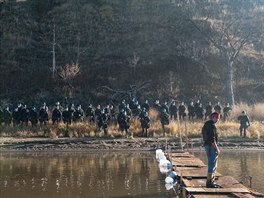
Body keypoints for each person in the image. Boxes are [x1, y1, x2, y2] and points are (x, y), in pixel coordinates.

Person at [202, 112, 221, 188]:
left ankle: (211, 181)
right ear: (213, 117)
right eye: (216, 118)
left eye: (218, 118)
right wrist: (217, 149)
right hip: (211, 147)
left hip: (207, 146)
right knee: (212, 164)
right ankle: (209, 183)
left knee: (212, 164)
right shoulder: (212, 126)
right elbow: (212, 140)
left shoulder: (206, 124)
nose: (217, 119)